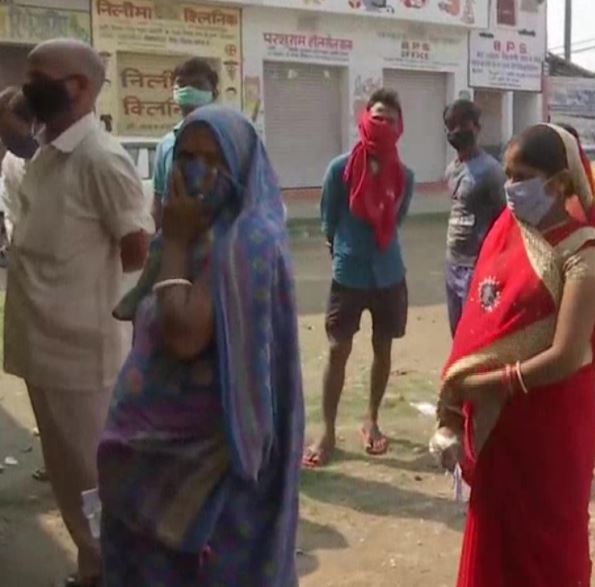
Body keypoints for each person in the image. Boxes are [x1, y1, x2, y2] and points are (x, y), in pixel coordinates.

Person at [97, 106, 303, 586]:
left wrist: (176, 241)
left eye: (214, 160)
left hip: (206, 461)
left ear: (244, 168)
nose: (196, 170)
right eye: (187, 155)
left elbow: (185, 333)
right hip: (155, 454)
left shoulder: (244, 240)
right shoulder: (199, 228)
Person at [432, 123, 595, 587]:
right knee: (496, 534)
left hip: (549, 421)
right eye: (508, 174)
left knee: (546, 541)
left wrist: (491, 384)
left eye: (524, 175)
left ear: (559, 181)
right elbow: (479, 324)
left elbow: (568, 355)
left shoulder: (585, 254)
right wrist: (453, 410)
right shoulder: (506, 234)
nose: (511, 186)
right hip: (500, 419)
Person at [4, 39, 153, 587]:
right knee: (69, 477)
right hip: (43, 347)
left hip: (82, 354)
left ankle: (112, 571)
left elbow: (137, 249)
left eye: (42, 75)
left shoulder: (100, 158)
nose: (29, 84)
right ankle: (95, 567)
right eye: (29, 73)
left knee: (93, 480)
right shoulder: (48, 151)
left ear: (82, 89)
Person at [304, 88, 414, 467]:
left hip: (389, 274)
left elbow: (395, 222)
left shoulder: (405, 176)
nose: (383, 124)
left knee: (383, 348)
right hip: (349, 274)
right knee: (338, 350)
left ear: (400, 128)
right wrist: (343, 255)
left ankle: (372, 420)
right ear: (365, 119)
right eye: (377, 116)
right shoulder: (340, 169)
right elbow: (328, 222)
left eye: (391, 119)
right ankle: (328, 431)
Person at [443, 99, 505, 335]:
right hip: (452, 263)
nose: (457, 131)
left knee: (477, 335)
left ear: (477, 128)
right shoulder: (451, 169)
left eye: (464, 124)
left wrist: (495, 263)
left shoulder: (492, 171)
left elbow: (504, 219)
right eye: (451, 125)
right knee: (457, 334)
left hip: (478, 266)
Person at [152, 57, 219, 228]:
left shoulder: (228, 141)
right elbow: (158, 203)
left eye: (197, 84)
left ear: (214, 93)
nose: (189, 90)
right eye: (182, 84)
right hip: (175, 243)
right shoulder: (166, 145)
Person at [0, 86, 37, 259]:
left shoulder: (62, 157)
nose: (7, 142)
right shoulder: (10, 161)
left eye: (11, 133)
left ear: (33, 123)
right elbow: (12, 212)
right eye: (3, 135)